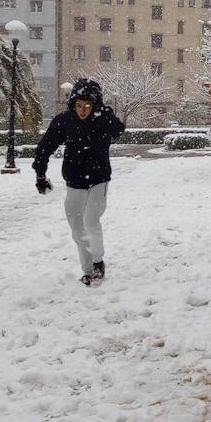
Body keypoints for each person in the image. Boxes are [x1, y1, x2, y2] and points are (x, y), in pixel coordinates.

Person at [33, 79, 125, 286]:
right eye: (78, 105)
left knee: (91, 221)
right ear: (73, 103)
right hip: (74, 180)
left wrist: (106, 114)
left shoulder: (102, 119)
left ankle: (98, 261)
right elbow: (45, 147)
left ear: (94, 105)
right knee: (77, 228)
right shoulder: (64, 121)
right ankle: (88, 269)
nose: (82, 110)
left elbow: (119, 130)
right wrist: (40, 174)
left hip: (99, 179)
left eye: (87, 106)